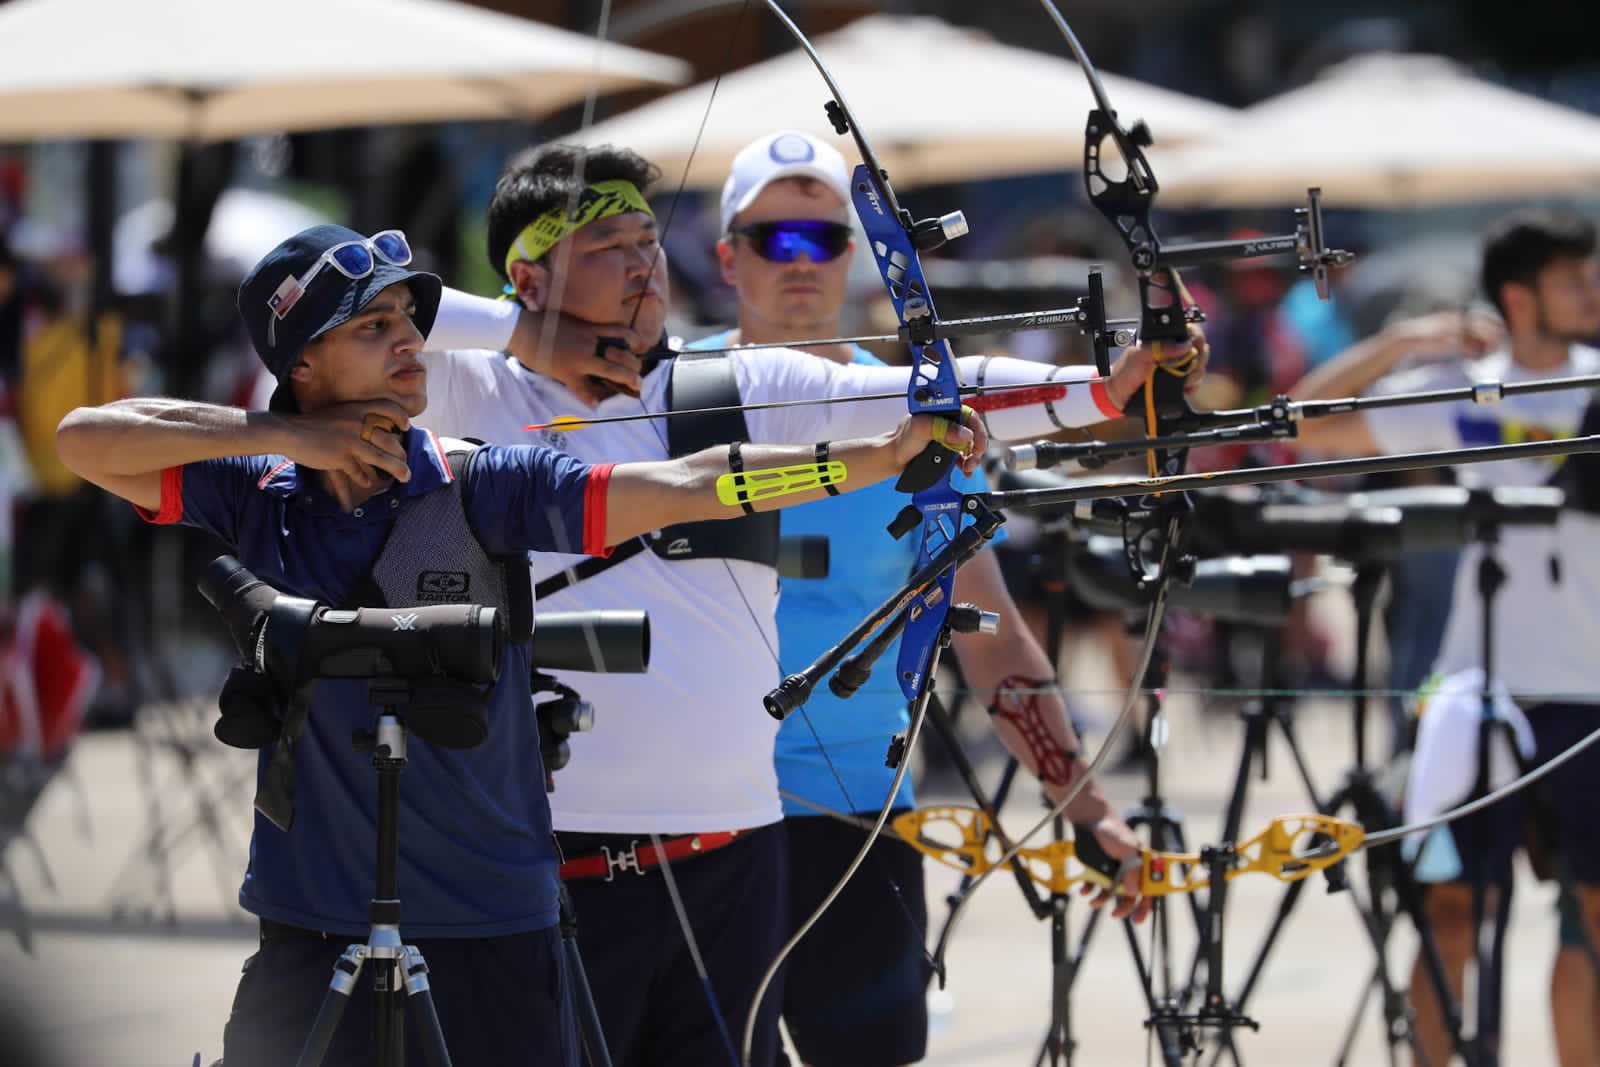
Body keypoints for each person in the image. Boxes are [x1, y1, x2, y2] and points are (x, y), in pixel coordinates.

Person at [53, 223, 984, 1067]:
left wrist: (881, 454)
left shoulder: (480, 481)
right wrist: (290, 436)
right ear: (303, 364)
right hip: (313, 922)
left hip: (490, 924)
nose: (411, 340)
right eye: (373, 327)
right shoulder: (256, 492)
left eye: (407, 319)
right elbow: (83, 439)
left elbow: (688, 483)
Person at [414, 142, 1189, 1066]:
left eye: (647, 243)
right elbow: (354, 315)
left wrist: (1110, 388)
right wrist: (526, 333)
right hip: (575, 854)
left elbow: (931, 401)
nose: (642, 263)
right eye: (609, 244)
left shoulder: (757, 392)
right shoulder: (488, 385)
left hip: (786, 835)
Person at [688, 130, 1159, 1067]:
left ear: (854, 255)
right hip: (691, 820)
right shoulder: (666, 395)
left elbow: (989, 636)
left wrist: (1085, 804)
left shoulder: (916, 415)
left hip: (859, 818)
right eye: (772, 238)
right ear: (725, 255)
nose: (799, 261)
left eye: (822, 239)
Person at [1288, 207, 1600, 1067]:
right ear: (1518, 297)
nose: (1592, 292)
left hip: (1590, 688)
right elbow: (1306, 425)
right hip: (1474, 685)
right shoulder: (1465, 386)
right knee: (1448, 910)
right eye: (1574, 279)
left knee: (1593, 915)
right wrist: (1409, 341)